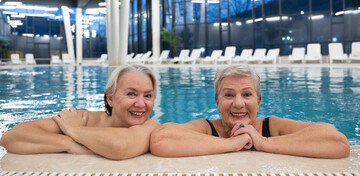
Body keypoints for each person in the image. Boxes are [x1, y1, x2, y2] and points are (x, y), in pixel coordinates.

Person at [150, 65, 350, 159]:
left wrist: (263, 142)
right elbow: (161, 139)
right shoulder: (207, 127)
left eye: (247, 94)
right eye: (229, 95)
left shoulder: (272, 127)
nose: (238, 104)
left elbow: (337, 142)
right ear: (217, 103)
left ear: (259, 101)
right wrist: (231, 143)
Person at [0, 64, 160, 160]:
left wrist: (75, 130)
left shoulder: (150, 127)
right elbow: (11, 138)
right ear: (110, 98)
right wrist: (68, 143)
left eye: (148, 96)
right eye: (131, 94)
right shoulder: (84, 118)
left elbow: (118, 146)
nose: (141, 104)